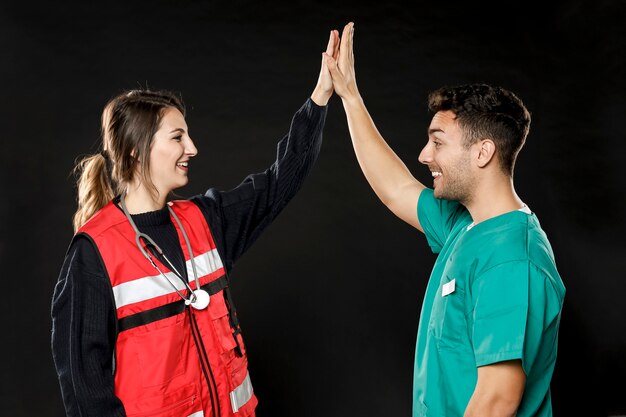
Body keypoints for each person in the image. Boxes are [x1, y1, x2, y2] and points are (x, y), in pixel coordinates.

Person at [51, 29, 340, 417]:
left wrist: (320, 96)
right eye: (178, 137)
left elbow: (278, 182)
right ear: (137, 152)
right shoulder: (94, 254)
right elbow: (87, 396)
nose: (193, 148)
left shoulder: (205, 220)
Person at [324, 22, 565, 417]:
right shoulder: (466, 224)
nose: (423, 155)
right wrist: (350, 97)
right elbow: (396, 189)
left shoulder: (510, 261)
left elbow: (496, 402)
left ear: (482, 152)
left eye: (437, 142)